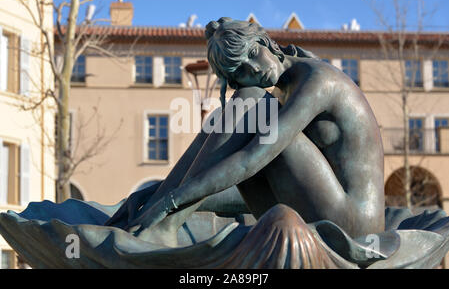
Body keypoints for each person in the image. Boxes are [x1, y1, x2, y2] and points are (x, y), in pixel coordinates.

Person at [105, 17, 385, 247]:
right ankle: (157, 223)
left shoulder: (318, 81)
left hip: (353, 225)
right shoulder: (286, 87)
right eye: (242, 71)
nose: (255, 69)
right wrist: (160, 195)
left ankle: (166, 222)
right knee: (227, 117)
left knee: (251, 100)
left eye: (252, 54)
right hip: (322, 209)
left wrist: (173, 200)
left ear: (266, 42)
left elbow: (252, 159)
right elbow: (256, 178)